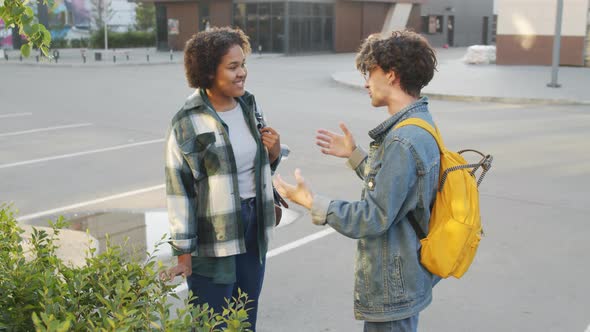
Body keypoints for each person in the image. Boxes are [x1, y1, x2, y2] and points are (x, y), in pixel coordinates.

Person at [273, 30, 440, 332]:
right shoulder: (420, 124)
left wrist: (312, 202)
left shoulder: (403, 139)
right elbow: (399, 192)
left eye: (370, 72)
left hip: (393, 287)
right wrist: (355, 156)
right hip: (407, 278)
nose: (365, 82)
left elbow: (373, 217)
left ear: (391, 75)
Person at [161, 27, 282, 331]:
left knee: (244, 321)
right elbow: (180, 192)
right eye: (233, 67)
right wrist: (183, 254)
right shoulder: (187, 121)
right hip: (211, 237)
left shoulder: (250, 107)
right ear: (208, 71)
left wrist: (273, 153)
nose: (242, 73)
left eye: (243, 65)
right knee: (212, 324)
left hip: (254, 228)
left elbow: (259, 169)